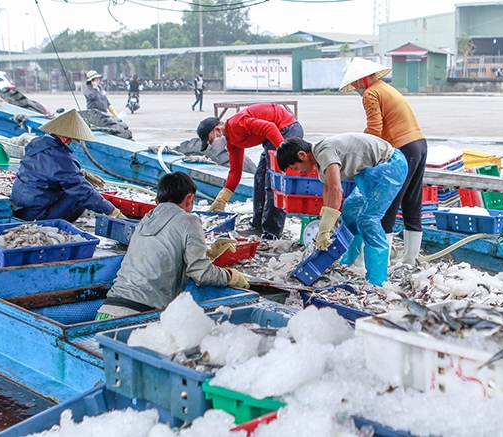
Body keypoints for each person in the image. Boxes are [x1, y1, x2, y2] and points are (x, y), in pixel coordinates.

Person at [95, 172, 250, 319]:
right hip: (139, 318)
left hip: (106, 312)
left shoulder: (146, 220)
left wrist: (206, 255)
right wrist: (230, 276)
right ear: (189, 198)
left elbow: (162, 255)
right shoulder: (189, 220)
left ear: (157, 201)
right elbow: (201, 273)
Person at [276, 134, 407, 286]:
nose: (298, 172)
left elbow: (336, 189)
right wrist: (324, 226)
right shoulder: (319, 162)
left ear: (302, 155)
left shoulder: (325, 152)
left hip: (389, 166)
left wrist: (325, 230)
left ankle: (377, 280)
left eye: (295, 167)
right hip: (369, 172)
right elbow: (328, 190)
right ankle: (350, 261)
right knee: (350, 209)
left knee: (367, 219)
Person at [339, 57, 427, 265]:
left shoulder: (370, 93)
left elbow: (374, 130)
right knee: (411, 202)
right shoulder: (387, 88)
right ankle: (410, 259)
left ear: (363, 79)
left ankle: (382, 262)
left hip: (403, 147)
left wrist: (358, 148)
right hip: (420, 144)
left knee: (387, 203)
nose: (354, 88)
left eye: (355, 84)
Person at [196, 104, 304, 239]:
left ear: (217, 130)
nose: (212, 144)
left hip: (286, 129)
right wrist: (222, 198)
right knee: (259, 178)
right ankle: (257, 226)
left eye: (210, 140)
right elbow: (235, 171)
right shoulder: (232, 143)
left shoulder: (237, 123)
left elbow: (269, 127)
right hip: (272, 136)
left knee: (273, 182)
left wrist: (283, 153)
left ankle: (272, 232)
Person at [11, 109, 125, 222]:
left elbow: (49, 170)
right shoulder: (62, 158)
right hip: (37, 215)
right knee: (82, 193)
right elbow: (82, 191)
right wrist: (112, 211)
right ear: (66, 139)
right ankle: (53, 224)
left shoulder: (37, 144)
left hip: (19, 208)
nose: (79, 143)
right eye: (77, 140)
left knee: (77, 186)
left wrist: (81, 174)